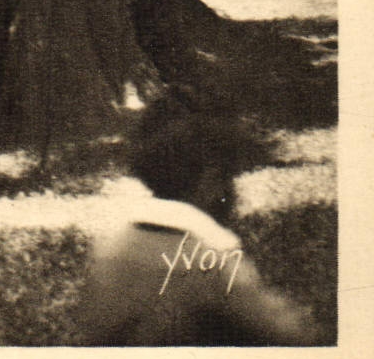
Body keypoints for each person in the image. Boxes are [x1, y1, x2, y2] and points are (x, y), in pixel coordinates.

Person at [76, 96, 317, 345]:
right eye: (226, 178)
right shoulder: (213, 255)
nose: (231, 191)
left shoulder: (111, 248)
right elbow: (286, 332)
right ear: (209, 181)